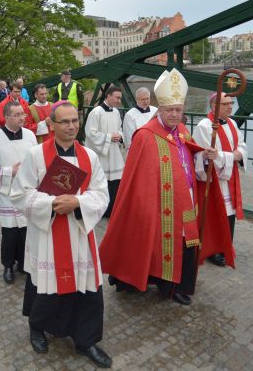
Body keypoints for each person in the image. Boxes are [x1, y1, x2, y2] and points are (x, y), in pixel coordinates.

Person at [100, 68, 234, 306]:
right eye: (169, 110)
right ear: (158, 110)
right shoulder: (145, 136)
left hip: (186, 199)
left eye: (178, 110)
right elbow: (136, 179)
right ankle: (153, 282)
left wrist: (205, 156)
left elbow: (191, 161)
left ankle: (178, 286)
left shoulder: (182, 130)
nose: (174, 114)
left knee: (186, 244)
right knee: (152, 243)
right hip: (158, 204)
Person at [10, 102, 112, 368]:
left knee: (88, 289)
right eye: (64, 122)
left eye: (74, 121)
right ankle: (37, 326)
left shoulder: (89, 156)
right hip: (47, 235)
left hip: (79, 233)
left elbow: (102, 193)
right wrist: (53, 205)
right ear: (51, 125)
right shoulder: (35, 155)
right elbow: (21, 194)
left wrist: (78, 204)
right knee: (45, 289)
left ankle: (86, 340)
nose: (71, 126)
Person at [0, 101, 37, 284]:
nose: (23, 117)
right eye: (18, 114)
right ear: (7, 116)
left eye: (23, 114)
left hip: (27, 190)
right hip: (7, 192)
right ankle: (8, 265)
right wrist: (8, 171)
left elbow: (37, 160)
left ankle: (24, 263)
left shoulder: (29, 135)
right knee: (10, 231)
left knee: (27, 230)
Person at [192, 92, 247, 267]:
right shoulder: (204, 126)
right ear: (214, 107)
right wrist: (229, 156)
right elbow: (203, 154)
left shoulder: (231, 123)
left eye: (231, 103)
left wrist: (238, 154)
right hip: (215, 179)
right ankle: (213, 250)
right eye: (226, 104)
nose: (231, 106)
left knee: (229, 214)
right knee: (216, 214)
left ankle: (226, 246)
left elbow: (241, 145)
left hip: (230, 176)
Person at [84, 86, 125, 217]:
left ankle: (113, 209)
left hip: (114, 154)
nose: (119, 101)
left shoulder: (116, 112)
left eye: (120, 98)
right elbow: (90, 133)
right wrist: (109, 137)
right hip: (101, 155)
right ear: (108, 96)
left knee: (115, 182)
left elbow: (119, 128)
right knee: (102, 182)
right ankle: (102, 210)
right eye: (117, 97)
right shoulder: (96, 112)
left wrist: (120, 136)